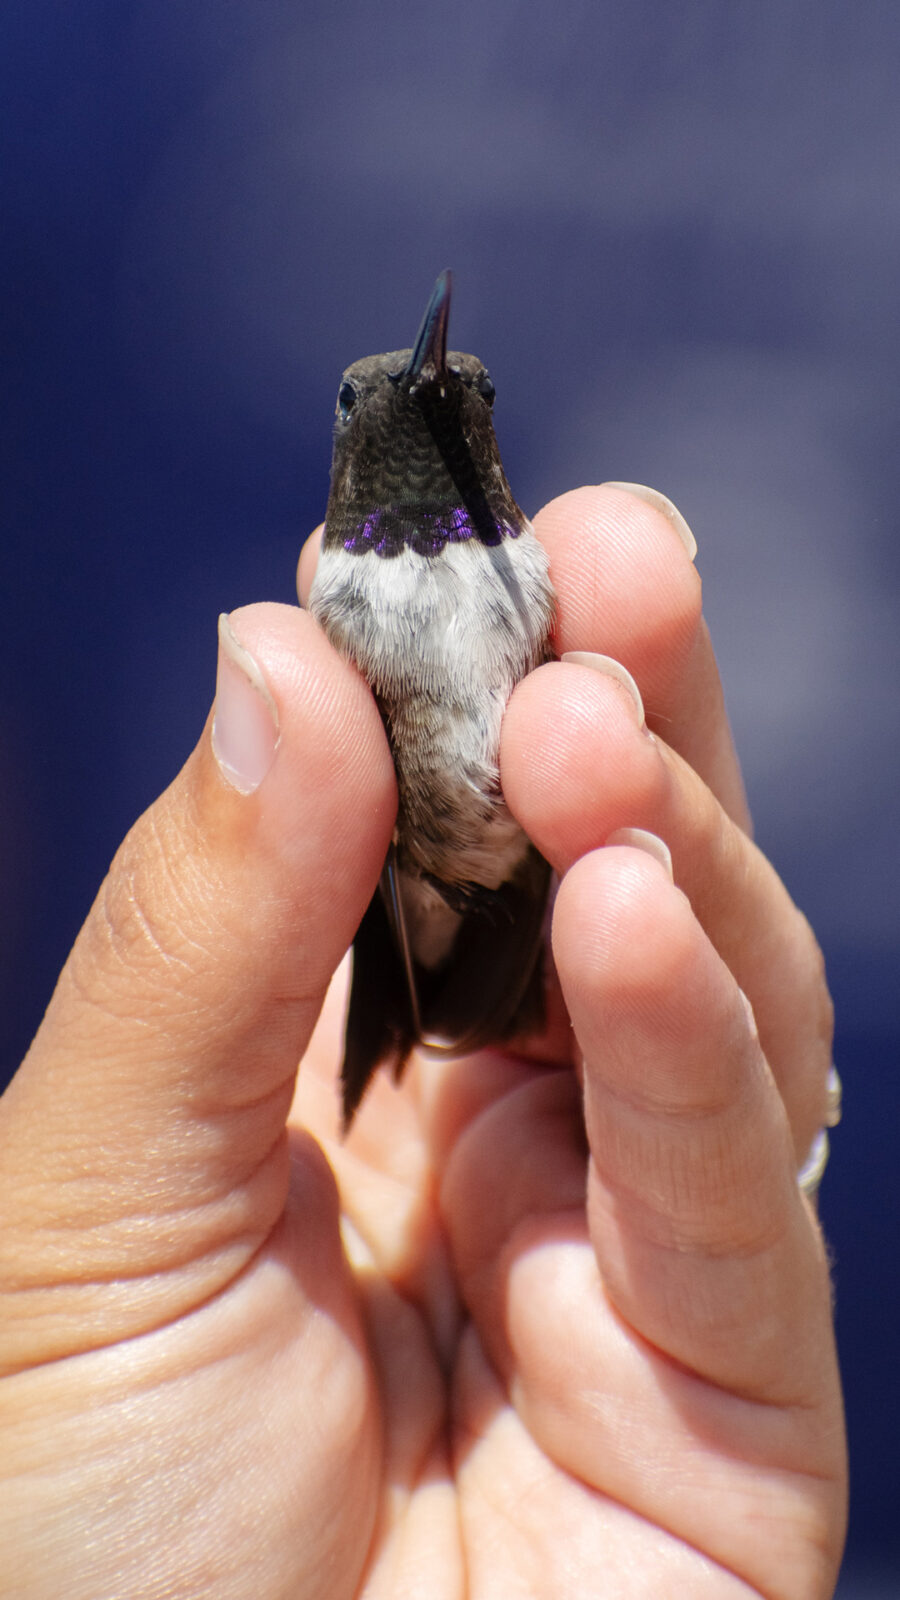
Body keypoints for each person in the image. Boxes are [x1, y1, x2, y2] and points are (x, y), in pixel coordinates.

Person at [0, 484, 846, 1597]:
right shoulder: (351, 596)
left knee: (598, 808)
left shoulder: (525, 568)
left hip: (515, 855)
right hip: (444, 869)